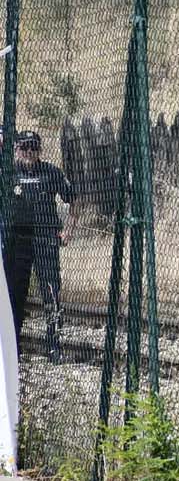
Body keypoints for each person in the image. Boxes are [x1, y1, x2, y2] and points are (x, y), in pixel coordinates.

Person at [4, 131, 76, 362]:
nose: (29, 152)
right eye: (24, 147)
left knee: (51, 291)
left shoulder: (51, 172)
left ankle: (54, 345)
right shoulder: (8, 173)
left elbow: (73, 200)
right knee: (15, 294)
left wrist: (68, 231)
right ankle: (12, 344)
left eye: (33, 147)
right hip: (18, 242)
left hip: (46, 239)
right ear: (16, 149)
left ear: (40, 150)